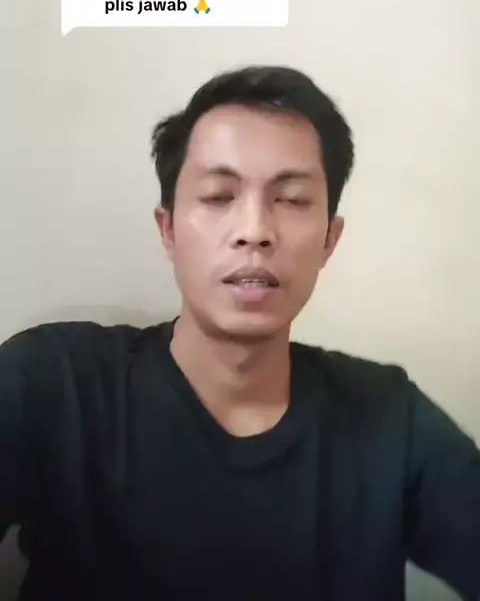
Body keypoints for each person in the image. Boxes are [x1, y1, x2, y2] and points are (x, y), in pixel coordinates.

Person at [0, 65, 478, 601]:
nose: (254, 231)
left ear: (329, 239)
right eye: (218, 196)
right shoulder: (52, 385)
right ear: (168, 229)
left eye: (291, 200)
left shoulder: (390, 420)